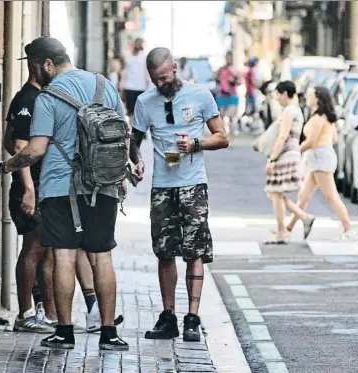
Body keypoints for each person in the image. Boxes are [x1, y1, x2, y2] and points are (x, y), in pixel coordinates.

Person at [0, 36, 128, 351]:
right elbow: (122, 134)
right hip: (103, 186)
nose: (38, 74)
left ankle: (64, 331)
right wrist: (120, 175)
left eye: (38, 67)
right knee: (101, 256)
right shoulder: (103, 86)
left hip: (60, 188)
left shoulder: (48, 97)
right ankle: (109, 334)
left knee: (63, 254)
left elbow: (34, 150)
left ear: (49, 64)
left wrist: (4, 166)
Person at [129, 47, 229, 342]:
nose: (160, 84)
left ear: (174, 68)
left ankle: (193, 318)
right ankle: (169, 316)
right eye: (154, 80)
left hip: (193, 185)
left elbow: (223, 137)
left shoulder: (200, 95)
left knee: (194, 251)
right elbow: (134, 140)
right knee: (164, 251)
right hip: (162, 187)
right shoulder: (145, 102)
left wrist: (196, 144)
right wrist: (138, 160)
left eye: (163, 77)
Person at [4, 44, 55, 334]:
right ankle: (24, 314)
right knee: (34, 249)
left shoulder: (35, 98)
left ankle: (44, 314)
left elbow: (7, 139)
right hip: (30, 186)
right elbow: (19, 145)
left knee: (43, 249)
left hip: (38, 183)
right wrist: (28, 188)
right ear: (38, 65)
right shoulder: (29, 98)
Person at [286, 86, 357, 241]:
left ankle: (348, 229)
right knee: (304, 195)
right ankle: (289, 228)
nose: (308, 98)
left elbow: (311, 141)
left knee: (331, 196)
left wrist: (295, 151)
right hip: (319, 156)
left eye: (311, 95)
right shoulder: (323, 117)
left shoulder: (319, 119)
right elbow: (334, 139)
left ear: (317, 99)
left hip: (320, 157)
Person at [264, 81, 315, 245]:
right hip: (292, 153)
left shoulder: (289, 111)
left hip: (285, 154)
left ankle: (282, 232)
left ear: (285, 93)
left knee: (275, 192)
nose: (277, 98)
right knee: (275, 193)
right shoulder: (297, 111)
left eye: (278, 94)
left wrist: (272, 158)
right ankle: (303, 218)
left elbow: (282, 136)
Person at [121, 38, 150, 127]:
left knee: (140, 110)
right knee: (130, 111)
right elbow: (124, 71)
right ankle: (133, 129)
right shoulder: (128, 55)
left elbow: (147, 70)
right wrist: (121, 84)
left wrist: (148, 82)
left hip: (141, 87)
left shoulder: (144, 56)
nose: (139, 45)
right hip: (129, 86)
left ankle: (139, 127)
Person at [216, 51, 240, 135]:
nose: (229, 59)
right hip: (222, 95)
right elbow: (214, 78)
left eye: (231, 57)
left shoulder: (235, 70)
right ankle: (222, 135)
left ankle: (231, 136)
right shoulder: (221, 69)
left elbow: (239, 81)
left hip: (232, 95)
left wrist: (233, 81)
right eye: (228, 57)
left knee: (231, 116)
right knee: (221, 116)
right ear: (225, 58)